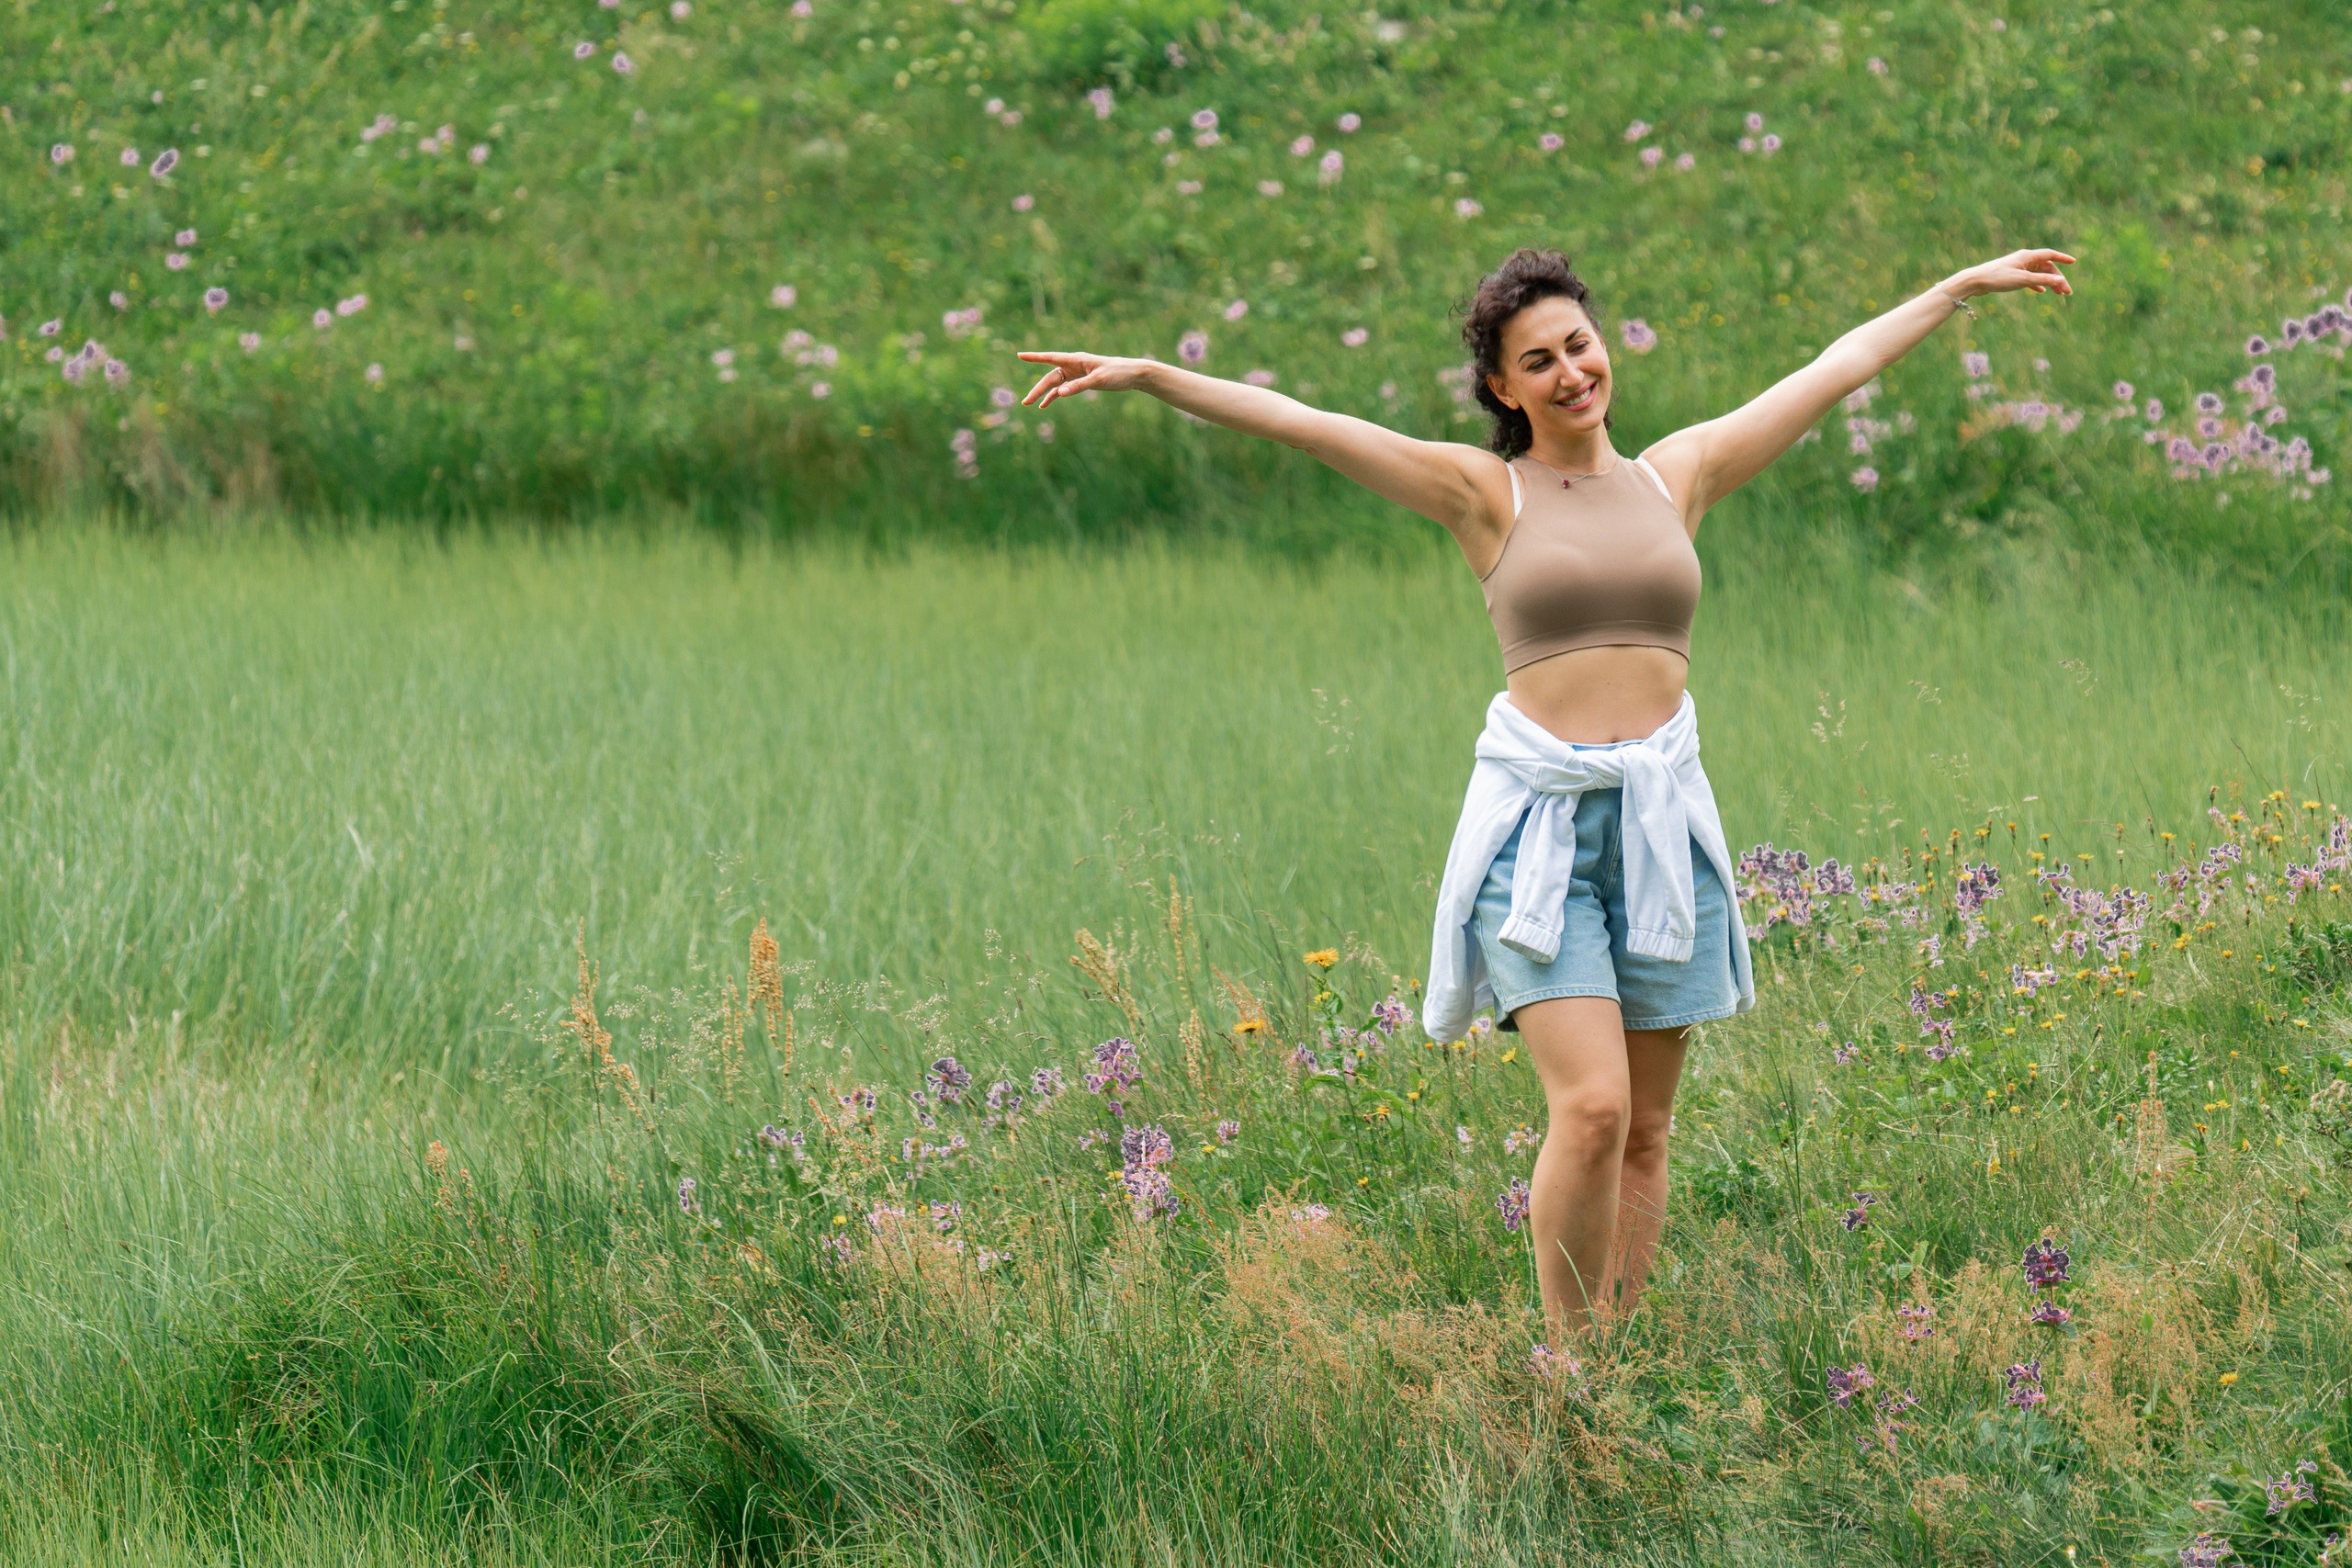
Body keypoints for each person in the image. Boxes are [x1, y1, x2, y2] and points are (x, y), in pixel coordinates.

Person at [1016, 244, 2075, 1342]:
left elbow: (1832, 369)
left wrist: (1953, 292)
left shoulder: (1679, 474)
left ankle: (1615, 1361)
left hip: (1660, 829)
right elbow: (1307, 423)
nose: (1571, 372)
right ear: (1502, 389)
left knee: (1648, 1129)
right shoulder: (1485, 493)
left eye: (1579, 345)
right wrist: (1149, 374)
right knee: (1593, 1105)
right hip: (1543, 836)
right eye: (1539, 360)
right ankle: (1566, 1364)